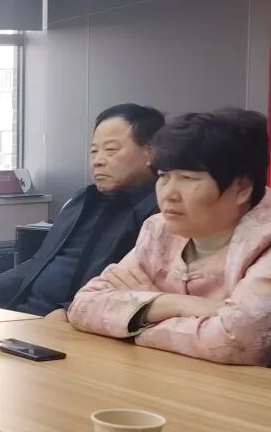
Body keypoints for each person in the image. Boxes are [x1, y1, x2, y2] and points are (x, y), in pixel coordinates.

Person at [69, 108, 271, 366]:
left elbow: (236, 341)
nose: (168, 194)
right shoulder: (159, 230)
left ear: (242, 189)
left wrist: (135, 320)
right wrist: (176, 304)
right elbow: (83, 305)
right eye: (163, 176)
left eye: (188, 178)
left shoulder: (264, 241)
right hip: (159, 375)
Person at [0, 104, 165, 318]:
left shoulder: (159, 216)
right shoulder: (82, 200)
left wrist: (67, 312)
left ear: (151, 153)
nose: (98, 161)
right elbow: (39, 263)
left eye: (111, 150)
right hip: (26, 316)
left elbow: (128, 289)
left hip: (80, 322)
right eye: (94, 151)